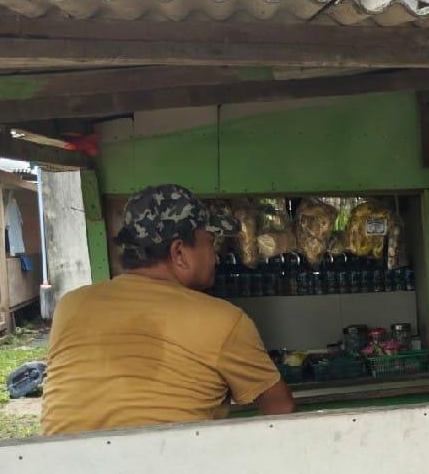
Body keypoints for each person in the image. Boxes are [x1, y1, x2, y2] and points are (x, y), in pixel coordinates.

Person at [42, 185, 294, 435]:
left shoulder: (71, 306)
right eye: (210, 243)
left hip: (56, 456)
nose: (215, 256)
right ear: (179, 252)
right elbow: (281, 409)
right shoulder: (224, 320)